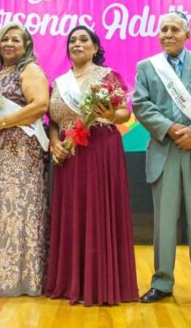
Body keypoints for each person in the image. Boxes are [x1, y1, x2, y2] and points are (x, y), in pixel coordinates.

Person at [132, 11, 191, 310]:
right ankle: (161, 282)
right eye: (163, 29)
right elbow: (141, 104)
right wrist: (171, 129)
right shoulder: (147, 67)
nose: (168, 34)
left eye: (174, 29)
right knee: (163, 223)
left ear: (188, 34)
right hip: (165, 150)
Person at [44, 25, 138, 306]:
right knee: (73, 213)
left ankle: (101, 283)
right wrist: (54, 143)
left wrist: (110, 112)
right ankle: (71, 282)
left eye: (84, 40)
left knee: (98, 210)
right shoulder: (59, 83)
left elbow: (124, 113)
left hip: (99, 149)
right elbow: (53, 122)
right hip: (67, 154)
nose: (77, 44)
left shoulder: (107, 77)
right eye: (72, 40)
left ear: (95, 47)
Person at [0, 22, 49, 297]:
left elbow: (40, 105)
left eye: (16, 40)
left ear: (26, 45)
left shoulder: (29, 69)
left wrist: (3, 121)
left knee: (21, 210)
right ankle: (3, 277)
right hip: (1, 151)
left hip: (23, 151)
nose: (9, 44)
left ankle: (27, 280)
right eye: (5, 39)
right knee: (4, 211)